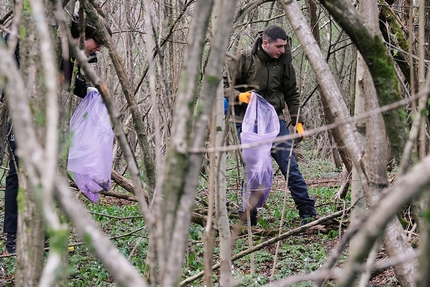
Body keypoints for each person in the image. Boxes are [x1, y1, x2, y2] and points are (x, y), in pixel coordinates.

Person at [2, 15, 112, 254]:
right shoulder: (43, 34)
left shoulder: (64, 46)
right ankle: (13, 239)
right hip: (16, 108)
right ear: (85, 34)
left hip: (40, 114)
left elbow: (66, 77)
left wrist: (91, 91)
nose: (99, 50)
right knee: (19, 172)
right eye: (99, 43)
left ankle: (39, 234)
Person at [223, 25, 316, 226]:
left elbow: (292, 93)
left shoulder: (283, 62)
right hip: (248, 123)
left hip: (275, 121)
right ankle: (248, 217)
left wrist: (298, 121)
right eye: (279, 46)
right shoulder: (244, 59)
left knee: (289, 166)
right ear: (265, 43)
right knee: (253, 170)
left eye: (284, 46)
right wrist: (239, 96)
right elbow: (224, 88)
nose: (283, 50)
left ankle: (307, 212)